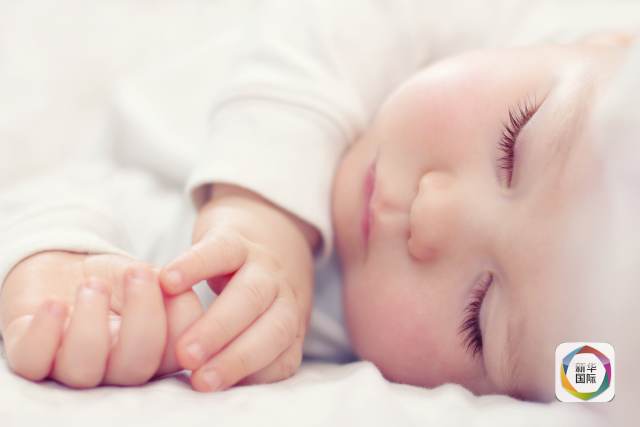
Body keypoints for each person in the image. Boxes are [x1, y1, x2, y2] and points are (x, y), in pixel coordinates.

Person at [0, 0, 637, 402]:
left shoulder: (318, 327)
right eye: (513, 144)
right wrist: (260, 210)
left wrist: (66, 273)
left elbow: (102, 208)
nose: (429, 215)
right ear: (607, 41)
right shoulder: (526, 30)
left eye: (479, 317)